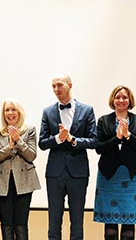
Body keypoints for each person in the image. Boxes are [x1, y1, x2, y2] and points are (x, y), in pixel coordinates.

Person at [39, 74, 97, 240]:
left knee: (77, 220)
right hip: (55, 173)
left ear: (70, 85)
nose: (56, 89)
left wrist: (72, 139)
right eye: (53, 86)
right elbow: (42, 143)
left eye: (60, 85)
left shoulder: (87, 110)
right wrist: (58, 138)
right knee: (54, 220)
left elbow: (94, 140)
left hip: (78, 172)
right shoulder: (48, 111)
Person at [93, 85, 136, 240]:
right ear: (113, 100)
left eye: (124, 97)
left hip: (132, 177)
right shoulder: (104, 120)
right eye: (118, 97)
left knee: (128, 230)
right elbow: (98, 148)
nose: (121, 100)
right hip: (108, 177)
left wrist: (128, 135)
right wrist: (116, 138)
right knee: (110, 229)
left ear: (130, 100)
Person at [0, 99, 40, 240]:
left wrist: (19, 140)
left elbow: (31, 155)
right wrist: (9, 147)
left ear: (19, 113)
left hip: (24, 181)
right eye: (7, 110)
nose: (10, 113)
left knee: (21, 223)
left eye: (13, 110)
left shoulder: (29, 130)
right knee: (6, 224)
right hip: (2, 182)